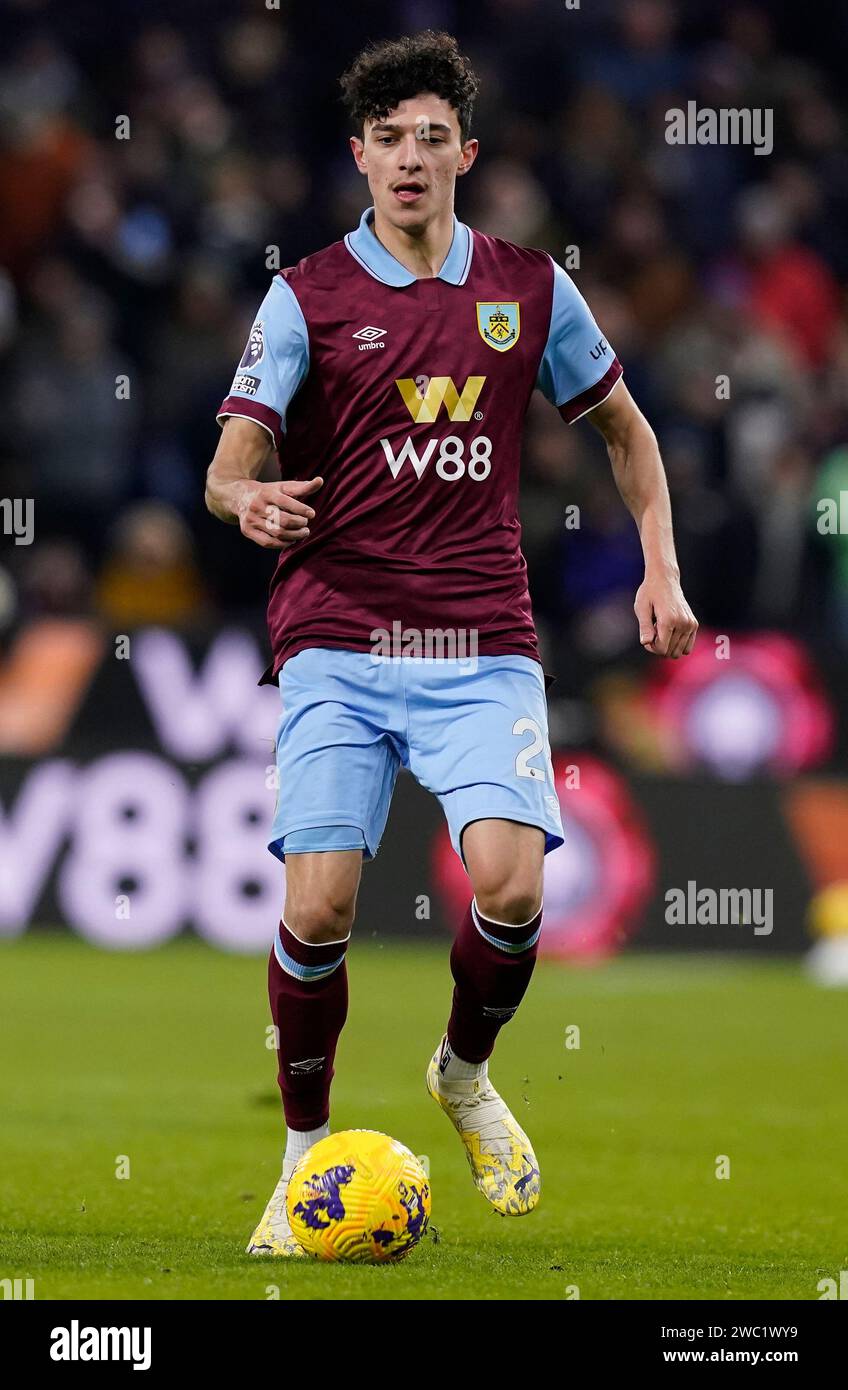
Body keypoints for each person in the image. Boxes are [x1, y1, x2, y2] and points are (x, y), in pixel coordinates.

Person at [205, 30, 698, 1256]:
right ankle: (300, 1157)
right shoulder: (305, 292)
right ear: (360, 157)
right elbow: (229, 462)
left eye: (435, 137)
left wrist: (660, 564)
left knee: (514, 884)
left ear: (465, 154)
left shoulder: (531, 289)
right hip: (335, 631)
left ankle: (463, 1072)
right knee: (317, 910)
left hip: (479, 636)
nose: (413, 158)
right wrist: (243, 500)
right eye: (391, 140)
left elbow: (628, 435)